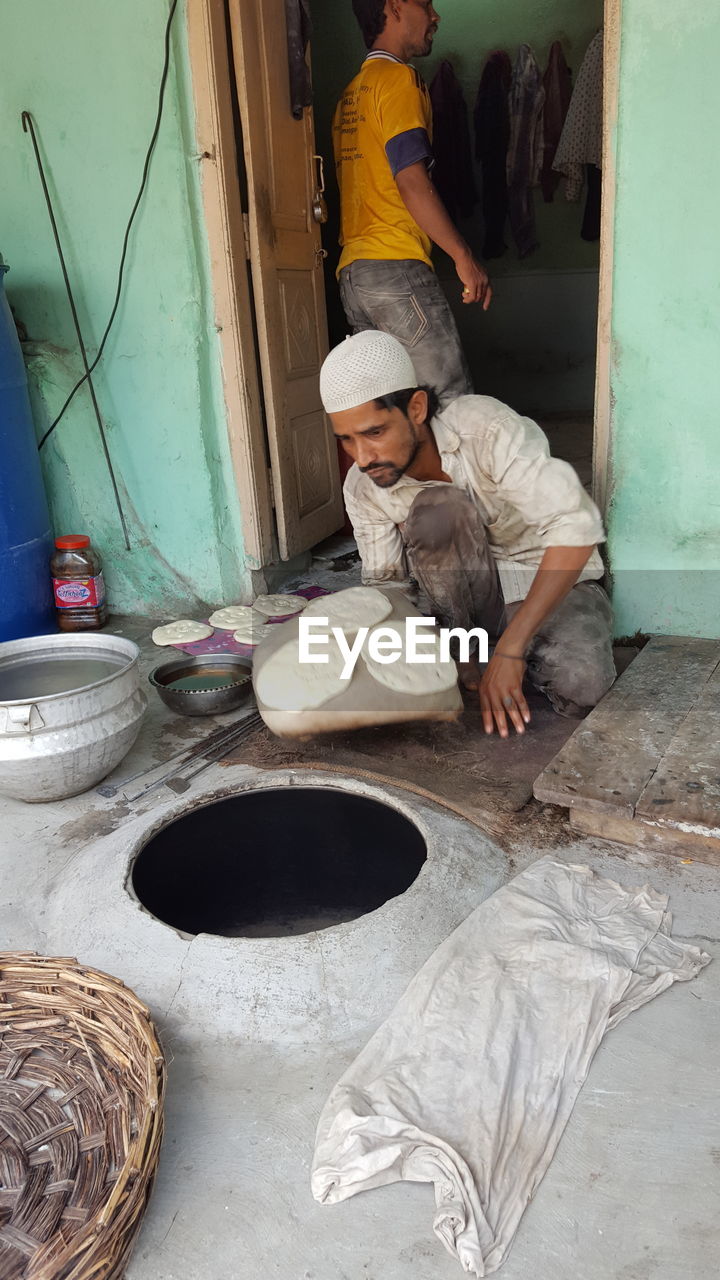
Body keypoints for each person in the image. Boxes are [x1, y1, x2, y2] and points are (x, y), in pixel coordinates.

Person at [319, 330, 616, 738]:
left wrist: (513, 648)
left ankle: (505, 651)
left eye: (374, 432)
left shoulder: (485, 429)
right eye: (347, 440)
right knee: (437, 513)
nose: (363, 457)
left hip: (542, 581)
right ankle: (468, 655)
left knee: (584, 689)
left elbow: (576, 528)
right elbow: (386, 587)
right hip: (455, 607)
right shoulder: (362, 486)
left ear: (416, 408)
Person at [333, 0, 492, 406]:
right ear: (396, 6)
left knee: (398, 414)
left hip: (354, 277)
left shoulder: (350, 96)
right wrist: (462, 255)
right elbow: (411, 182)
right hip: (396, 269)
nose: (435, 16)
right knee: (449, 406)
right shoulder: (399, 80)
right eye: (426, 3)